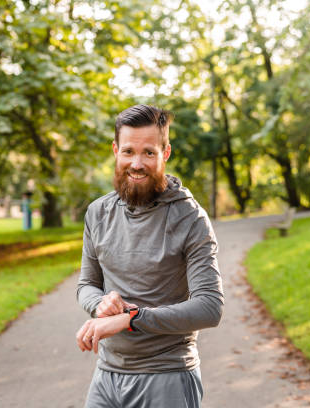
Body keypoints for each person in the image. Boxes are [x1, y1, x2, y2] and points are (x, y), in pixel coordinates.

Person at [75, 104, 224, 408]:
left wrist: (130, 319)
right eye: (128, 151)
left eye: (149, 153)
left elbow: (210, 308)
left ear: (165, 153)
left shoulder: (190, 219)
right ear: (115, 150)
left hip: (167, 374)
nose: (137, 163)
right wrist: (100, 303)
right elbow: (86, 284)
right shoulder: (98, 212)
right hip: (106, 375)